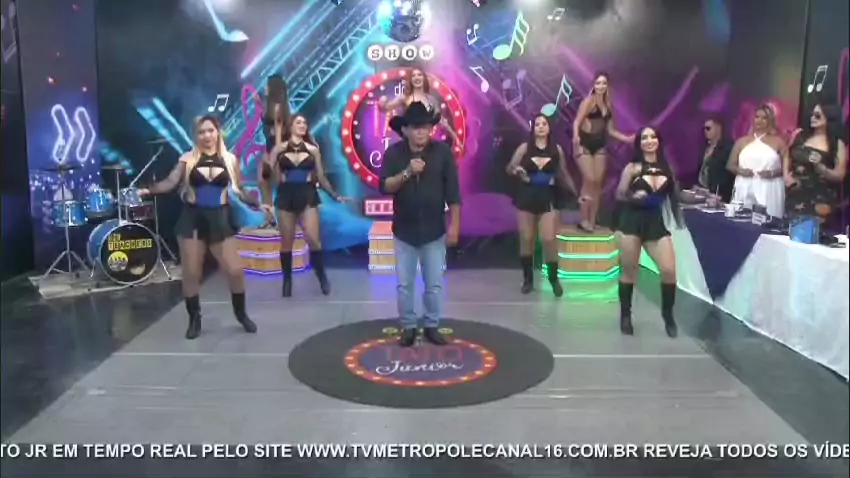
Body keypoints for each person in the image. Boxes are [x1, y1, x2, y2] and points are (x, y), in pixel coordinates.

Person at [139, 115, 273, 339]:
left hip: (219, 218)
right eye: (201, 132)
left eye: (210, 130)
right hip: (192, 218)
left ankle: (241, 314)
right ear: (196, 135)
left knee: (235, 271)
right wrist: (149, 190)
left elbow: (239, 190)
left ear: (218, 132)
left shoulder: (230, 159)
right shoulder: (187, 159)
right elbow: (171, 182)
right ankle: (194, 319)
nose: (207, 135)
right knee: (192, 273)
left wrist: (258, 204)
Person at [379, 103, 461, 347]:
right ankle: (408, 327)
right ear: (405, 130)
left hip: (434, 231)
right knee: (404, 285)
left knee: (434, 284)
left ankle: (432, 326)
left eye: (425, 127)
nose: (422, 132)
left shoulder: (443, 153)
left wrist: (455, 226)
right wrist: (407, 172)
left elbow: (453, 192)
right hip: (404, 231)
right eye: (416, 127)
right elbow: (384, 186)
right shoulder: (394, 154)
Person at [614, 127, 684, 338]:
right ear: (639, 143)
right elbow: (619, 194)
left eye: (653, 136)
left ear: (659, 141)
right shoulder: (632, 167)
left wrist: (704, 197)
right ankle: (625, 315)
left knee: (669, 270)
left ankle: (668, 314)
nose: (649, 140)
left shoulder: (667, 168)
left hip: (655, 223)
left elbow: (677, 195)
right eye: (644, 137)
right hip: (632, 222)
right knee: (630, 271)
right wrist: (633, 196)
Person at [267, 114, 347, 297]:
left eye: (305, 122)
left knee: (313, 239)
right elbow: (268, 174)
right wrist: (271, 170)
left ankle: (321, 276)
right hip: (286, 195)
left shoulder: (313, 150)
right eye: (298, 122)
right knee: (287, 242)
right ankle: (287, 280)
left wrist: (334, 195)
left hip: (307, 193)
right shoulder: (279, 149)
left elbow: (321, 176)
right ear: (290, 126)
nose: (303, 125)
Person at [506, 114, 585, 297]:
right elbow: (509, 167)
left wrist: (577, 194)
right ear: (533, 129)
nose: (540, 127)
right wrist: (516, 170)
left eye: (544, 124)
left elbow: (564, 173)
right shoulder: (524, 148)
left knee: (549, 239)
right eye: (537, 124)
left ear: (549, 128)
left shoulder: (556, 150)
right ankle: (527, 279)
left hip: (548, 197)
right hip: (526, 197)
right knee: (527, 239)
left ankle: (553, 279)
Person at [572, 72, 634, 232]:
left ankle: (592, 221)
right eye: (598, 83)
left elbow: (610, 130)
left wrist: (627, 139)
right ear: (593, 85)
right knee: (589, 179)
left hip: (599, 144)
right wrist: (575, 137)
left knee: (597, 183)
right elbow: (577, 121)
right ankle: (583, 219)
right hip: (583, 143)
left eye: (604, 83)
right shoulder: (589, 101)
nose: (601, 86)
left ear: (607, 86)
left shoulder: (608, 105)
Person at [785, 104, 847, 220]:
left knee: (811, 229)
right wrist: (786, 175)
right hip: (794, 193)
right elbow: (787, 155)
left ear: (829, 118)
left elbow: (840, 175)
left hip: (819, 197)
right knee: (789, 227)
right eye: (812, 114)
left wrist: (822, 168)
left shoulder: (836, 143)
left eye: (817, 115)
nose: (813, 118)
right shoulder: (799, 135)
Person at [726, 104, 787, 218]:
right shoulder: (742, 141)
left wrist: (772, 173)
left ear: (770, 121)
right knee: (741, 220)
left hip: (769, 188)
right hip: (745, 185)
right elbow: (730, 165)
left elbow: (786, 168)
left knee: (768, 222)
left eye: (764, 118)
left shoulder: (779, 142)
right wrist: (741, 171)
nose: (760, 120)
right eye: (757, 117)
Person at [379, 67, 462, 147]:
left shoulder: (431, 100)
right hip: (410, 142)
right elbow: (386, 108)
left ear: (424, 79)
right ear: (411, 80)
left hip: (425, 142)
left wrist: (456, 138)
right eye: (413, 76)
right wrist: (382, 102)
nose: (417, 77)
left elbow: (442, 121)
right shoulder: (405, 97)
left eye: (419, 75)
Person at [256, 74, 290, 212]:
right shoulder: (270, 107)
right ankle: (269, 215)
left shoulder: (278, 108)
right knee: (262, 181)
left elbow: (278, 135)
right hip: (269, 146)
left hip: (277, 148)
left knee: (279, 183)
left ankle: (287, 215)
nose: (265, 88)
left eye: (267, 85)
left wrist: (275, 158)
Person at [697, 115, 735, 202]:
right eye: (704, 129)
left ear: (718, 128)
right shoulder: (704, 147)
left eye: (708, 128)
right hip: (704, 193)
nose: (705, 131)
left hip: (720, 195)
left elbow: (729, 173)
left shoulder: (728, 148)